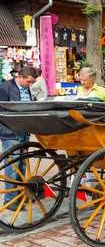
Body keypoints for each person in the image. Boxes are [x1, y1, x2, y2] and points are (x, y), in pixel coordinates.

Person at [0, 66, 39, 211]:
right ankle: (10, 200)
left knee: (22, 165)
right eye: (29, 82)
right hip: (10, 133)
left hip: (23, 132)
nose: (30, 85)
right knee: (12, 168)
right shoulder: (5, 87)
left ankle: (20, 194)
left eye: (32, 83)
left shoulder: (26, 88)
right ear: (20, 77)